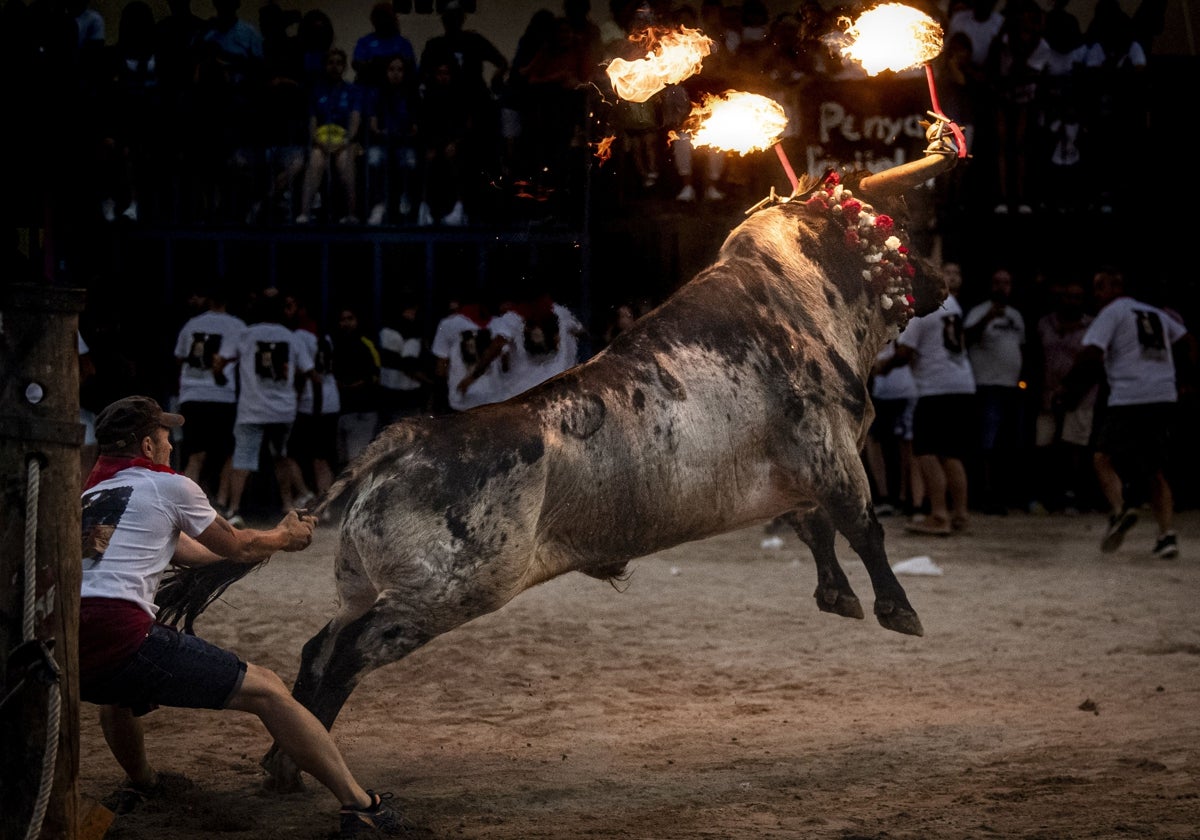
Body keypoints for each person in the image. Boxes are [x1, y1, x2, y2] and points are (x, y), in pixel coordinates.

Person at [79, 396, 402, 837]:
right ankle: (360, 805)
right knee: (267, 689)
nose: (171, 445)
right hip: (119, 633)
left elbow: (195, 553)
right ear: (147, 447)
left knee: (116, 694)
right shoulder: (168, 486)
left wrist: (269, 542)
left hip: (73, 643)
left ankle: (145, 784)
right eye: (164, 436)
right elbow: (237, 545)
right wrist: (283, 537)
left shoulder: (92, 493)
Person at [1063, 266, 1190, 557]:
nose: (1095, 295)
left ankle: (1120, 510)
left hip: (1130, 396)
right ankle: (1166, 535)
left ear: (1113, 287)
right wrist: (1181, 379)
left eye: (1099, 287)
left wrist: (1067, 386)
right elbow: (1188, 342)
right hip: (1163, 396)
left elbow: (1092, 352)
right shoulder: (1156, 313)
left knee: (1102, 457)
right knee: (1156, 470)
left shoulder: (1113, 311)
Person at [214, 290, 314, 525]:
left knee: (243, 460)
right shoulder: (292, 337)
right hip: (283, 409)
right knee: (281, 457)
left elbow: (221, 360)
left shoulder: (245, 335)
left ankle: (234, 509)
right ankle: (288, 506)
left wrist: (219, 377)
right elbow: (307, 371)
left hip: (252, 408)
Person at [891, 261, 976, 536]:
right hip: (961, 383)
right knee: (951, 453)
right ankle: (960, 514)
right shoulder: (952, 304)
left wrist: (880, 366)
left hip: (935, 387)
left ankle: (939, 514)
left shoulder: (922, 311)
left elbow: (905, 351)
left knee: (926, 452)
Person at [172, 280, 245, 510]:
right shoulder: (237, 326)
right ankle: (222, 502)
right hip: (222, 395)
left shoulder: (192, 324)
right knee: (226, 453)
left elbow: (179, 357)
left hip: (193, 394)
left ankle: (186, 507)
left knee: (195, 454)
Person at [963, 267, 1027, 513]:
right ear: (991, 286)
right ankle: (986, 495)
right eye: (998, 282)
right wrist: (986, 319)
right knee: (986, 443)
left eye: (1006, 283)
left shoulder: (1016, 316)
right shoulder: (978, 312)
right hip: (986, 385)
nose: (1002, 287)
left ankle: (1006, 494)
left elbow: (1022, 347)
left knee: (1008, 443)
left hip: (1011, 386)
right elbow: (965, 338)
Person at [296, 47, 363, 225]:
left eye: (339, 63)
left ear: (344, 67)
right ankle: (305, 213)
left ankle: (351, 214)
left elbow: (354, 122)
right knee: (316, 158)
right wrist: (319, 142)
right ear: (325, 66)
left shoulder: (352, 91)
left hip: (345, 142)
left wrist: (345, 142)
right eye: (330, 63)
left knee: (344, 161)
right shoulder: (316, 91)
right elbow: (312, 123)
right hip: (321, 142)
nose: (335, 67)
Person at [331, 307, 381, 464]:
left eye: (350, 318)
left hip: (362, 411)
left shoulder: (367, 344)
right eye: (342, 319)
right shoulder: (335, 344)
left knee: (356, 463)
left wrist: (349, 387)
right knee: (344, 461)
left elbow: (375, 375)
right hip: (342, 412)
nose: (346, 323)